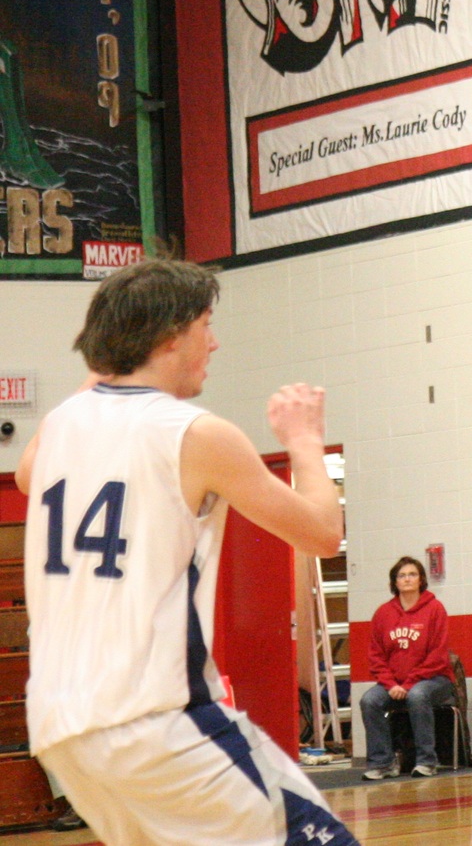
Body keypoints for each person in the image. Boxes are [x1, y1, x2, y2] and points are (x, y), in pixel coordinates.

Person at [19, 259, 357, 846]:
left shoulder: (57, 426)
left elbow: (28, 478)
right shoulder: (194, 433)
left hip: (62, 730)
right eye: (206, 324)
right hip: (157, 722)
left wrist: (108, 351)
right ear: (171, 334)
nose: (215, 342)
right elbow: (323, 533)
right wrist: (305, 441)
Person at [359, 556, 454, 779]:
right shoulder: (383, 613)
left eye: (412, 574)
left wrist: (409, 684)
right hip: (395, 684)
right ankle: (383, 763)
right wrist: (391, 684)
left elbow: (438, 656)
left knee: (417, 695)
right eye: (401, 575)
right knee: (369, 700)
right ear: (395, 582)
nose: (407, 579)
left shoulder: (435, 609)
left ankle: (426, 761)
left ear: (421, 580)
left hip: (434, 680)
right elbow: (376, 656)